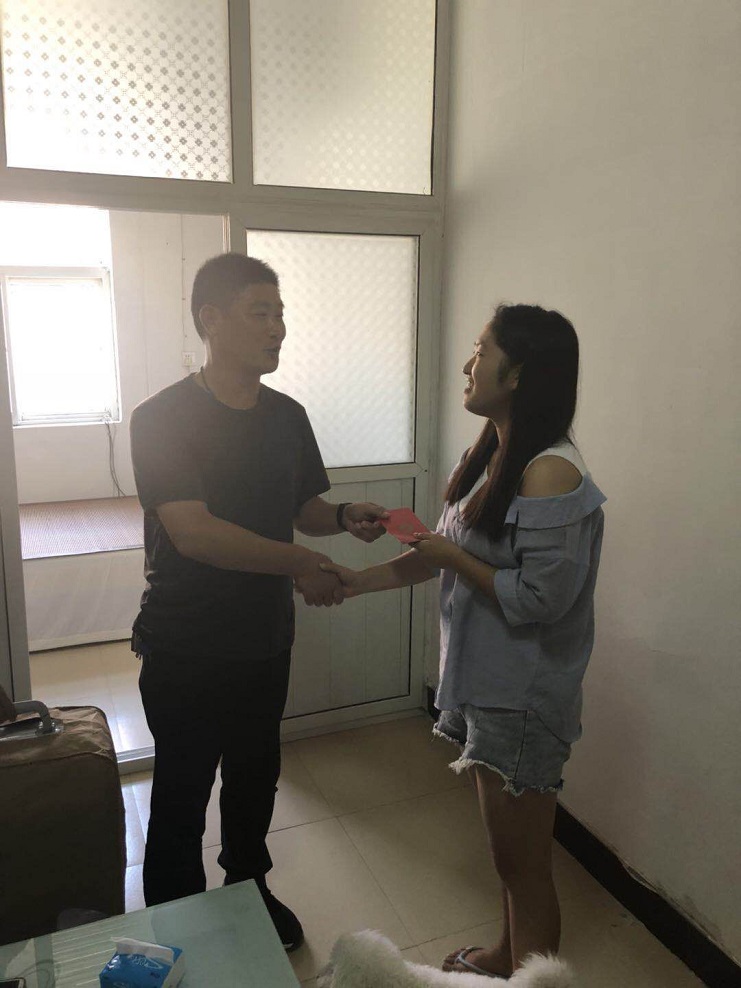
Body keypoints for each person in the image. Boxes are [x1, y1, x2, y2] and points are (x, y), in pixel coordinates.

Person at [322, 303, 606, 976]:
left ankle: (527, 975)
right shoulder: (491, 456)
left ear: (519, 373)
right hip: (489, 684)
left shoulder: (549, 472)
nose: (467, 366)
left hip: (523, 697)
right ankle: (506, 957)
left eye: (481, 352)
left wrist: (451, 557)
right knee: (509, 858)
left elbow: (540, 600)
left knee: (523, 865)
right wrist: (355, 582)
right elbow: (438, 554)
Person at [129, 252, 388, 951]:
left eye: (280, 314)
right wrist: (303, 563)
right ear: (210, 319)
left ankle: (248, 887)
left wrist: (343, 517)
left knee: (254, 777)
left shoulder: (286, 415)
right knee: (183, 790)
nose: (277, 328)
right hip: (185, 640)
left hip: (263, 637)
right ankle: (175, 919)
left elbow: (302, 508)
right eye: (260, 313)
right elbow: (193, 532)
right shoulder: (160, 417)